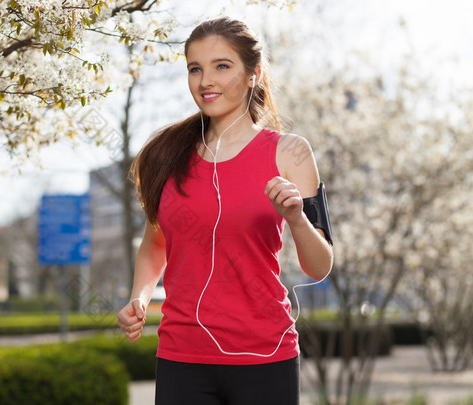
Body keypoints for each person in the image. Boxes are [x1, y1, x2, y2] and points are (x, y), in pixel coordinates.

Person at [117, 16, 333, 405]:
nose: (205, 81)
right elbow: (155, 242)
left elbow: (320, 266)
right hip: (182, 358)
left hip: (265, 357)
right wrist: (140, 296)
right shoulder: (164, 155)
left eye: (222, 66)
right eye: (195, 69)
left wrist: (297, 218)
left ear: (253, 74)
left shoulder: (291, 152)